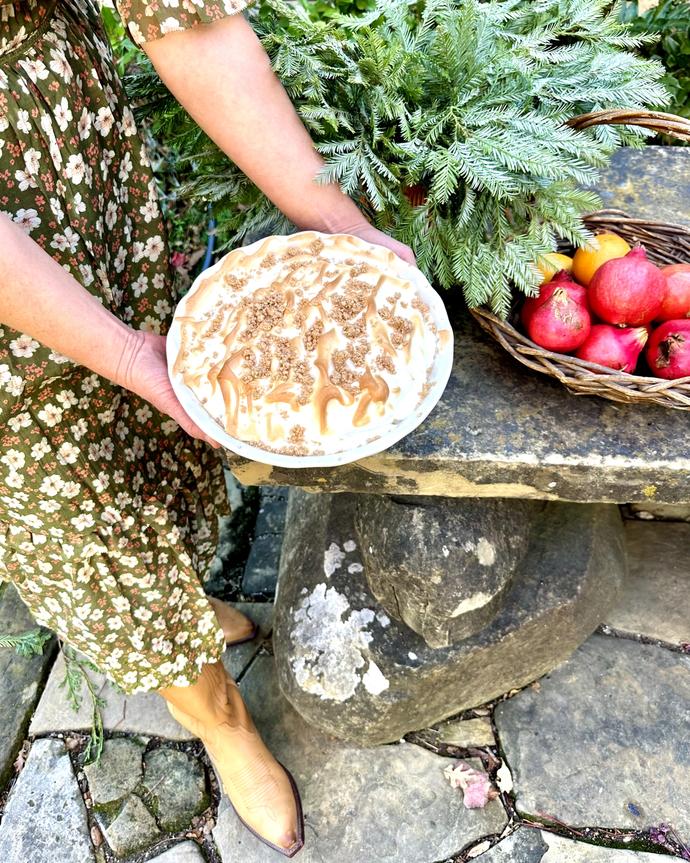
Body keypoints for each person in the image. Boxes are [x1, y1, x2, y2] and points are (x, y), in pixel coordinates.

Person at [0, 0, 414, 856]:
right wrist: (122, 352)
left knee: (150, 451)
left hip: (81, 175)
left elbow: (184, 17)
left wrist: (345, 228)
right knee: (85, 531)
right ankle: (222, 722)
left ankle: (190, 595)